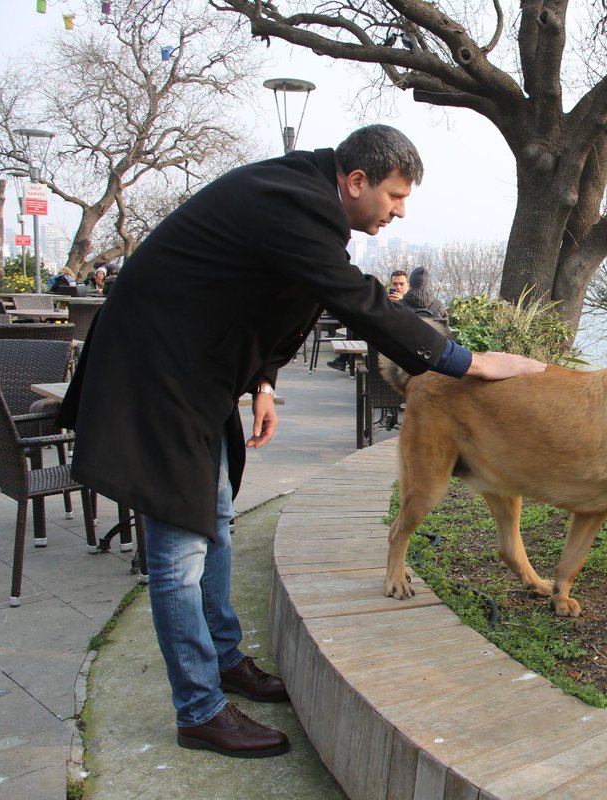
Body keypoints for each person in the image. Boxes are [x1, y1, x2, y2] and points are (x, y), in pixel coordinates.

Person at [57, 125, 544, 759]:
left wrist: (262, 381)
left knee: (219, 521)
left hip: (194, 374)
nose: (399, 212)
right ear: (357, 182)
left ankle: (225, 659)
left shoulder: (302, 201)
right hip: (153, 377)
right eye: (396, 197)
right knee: (179, 550)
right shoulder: (295, 202)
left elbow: (281, 299)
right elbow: (355, 300)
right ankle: (199, 709)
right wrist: (466, 360)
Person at [327, 269, 412, 371]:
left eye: (401, 284)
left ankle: (342, 360)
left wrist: (401, 302)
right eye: (395, 284)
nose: (398, 287)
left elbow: (411, 319)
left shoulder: (410, 300)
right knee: (354, 324)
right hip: (383, 332)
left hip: (397, 337)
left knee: (356, 327)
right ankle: (343, 360)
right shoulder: (387, 298)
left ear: (408, 285)